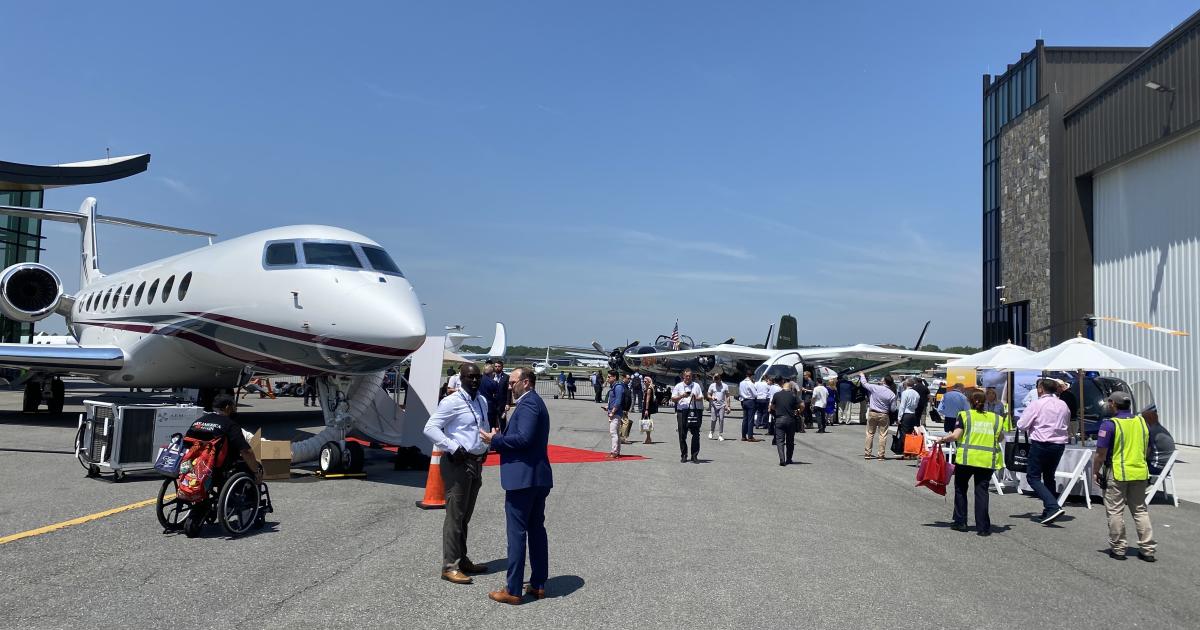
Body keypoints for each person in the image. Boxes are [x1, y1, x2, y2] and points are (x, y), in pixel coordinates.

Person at [479, 367, 554, 605]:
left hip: (524, 480)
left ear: (527, 383)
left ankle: (513, 589)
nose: (509, 386)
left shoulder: (530, 403)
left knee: (517, 533)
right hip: (535, 477)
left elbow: (524, 438)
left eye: (513, 382)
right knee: (536, 530)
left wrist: (496, 440)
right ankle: (538, 583)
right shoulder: (531, 402)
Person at [423, 363, 491, 584]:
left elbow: (481, 427)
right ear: (460, 378)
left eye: (477, 377)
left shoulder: (481, 400)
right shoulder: (451, 402)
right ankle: (449, 565)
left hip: (476, 462)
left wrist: (486, 447)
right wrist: (452, 447)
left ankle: (462, 560)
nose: (474, 381)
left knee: (465, 516)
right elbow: (430, 428)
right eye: (469, 377)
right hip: (458, 464)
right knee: (455, 516)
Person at [1092, 392, 1156, 561]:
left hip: (1118, 472)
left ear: (1113, 404)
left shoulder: (1110, 425)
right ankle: (1148, 549)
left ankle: (1119, 548)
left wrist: (1095, 470)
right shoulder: (1142, 422)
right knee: (1140, 510)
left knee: (1115, 511)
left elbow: (1100, 453)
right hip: (1139, 471)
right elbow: (1148, 448)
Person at [935, 390, 1003, 536]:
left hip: (966, 459)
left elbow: (955, 435)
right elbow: (1000, 438)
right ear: (985, 402)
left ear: (970, 402)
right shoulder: (995, 419)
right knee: (981, 492)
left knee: (960, 489)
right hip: (986, 460)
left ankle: (961, 522)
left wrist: (941, 440)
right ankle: (983, 527)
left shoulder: (965, 416)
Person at [1017, 378, 1070, 525]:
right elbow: (1067, 420)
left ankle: (1052, 506)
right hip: (1059, 444)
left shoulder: (1037, 404)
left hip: (1042, 442)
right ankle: (1049, 510)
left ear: (1040, 389)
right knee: (1049, 476)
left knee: (1032, 477)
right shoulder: (1063, 404)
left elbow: (1022, 424)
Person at [184, 394, 263, 484]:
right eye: (234, 407)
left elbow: (187, 442)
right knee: (254, 465)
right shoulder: (230, 424)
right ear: (227, 407)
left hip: (195, 463)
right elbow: (246, 451)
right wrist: (256, 471)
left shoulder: (198, 421)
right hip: (219, 468)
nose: (235, 409)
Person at [859, 373, 897, 460]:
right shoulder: (892, 394)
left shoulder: (875, 388)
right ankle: (881, 454)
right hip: (884, 414)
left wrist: (862, 375)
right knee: (883, 435)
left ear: (884, 381)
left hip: (873, 412)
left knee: (870, 433)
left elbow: (864, 384)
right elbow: (893, 409)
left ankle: (867, 453)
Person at [672, 369, 704, 463]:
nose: (688, 377)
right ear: (683, 376)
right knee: (682, 434)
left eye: (690, 376)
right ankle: (684, 455)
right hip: (682, 412)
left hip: (694, 411)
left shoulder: (696, 385)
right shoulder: (678, 386)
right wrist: (682, 396)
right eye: (686, 376)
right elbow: (673, 399)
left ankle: (694, 455)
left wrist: (695, 398)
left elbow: (701, 397)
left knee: (696, 434)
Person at [770, 381, 803, 466]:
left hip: (779, 419)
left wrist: (776, 409)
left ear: (782, 387)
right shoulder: (793, 395)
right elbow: (802, 404)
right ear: (790, 388)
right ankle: (789, 459)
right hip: (790, 420)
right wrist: (798, 411)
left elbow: (772, 406)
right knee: (790, 441)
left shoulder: (776, 395)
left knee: (780, 440)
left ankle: (782, 459)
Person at [481, 359, 510, 434]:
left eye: (499, 366)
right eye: (496, 366)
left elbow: (508, 391)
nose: (497, 368)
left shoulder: (506, 377)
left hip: (501, 403)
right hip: (491, 404)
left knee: (502, 421)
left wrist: (507, 403)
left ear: (502, 367)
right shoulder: (492, 378)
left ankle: (503, 434)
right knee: (492, 422)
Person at [1144, 405, 1175, 476]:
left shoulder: (1152, 432)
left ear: (1150, 418)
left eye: (1143, 418)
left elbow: (1146, 453)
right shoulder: (1160, 429)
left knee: (1130, 469)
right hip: (1166, 468)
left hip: (1156, 467)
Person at [896, 378, 921, 458]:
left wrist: (899, 417)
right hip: (913, 414)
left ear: (906, 384)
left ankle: (905, 451)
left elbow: (902, 406)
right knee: (911, 433)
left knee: (904, 433)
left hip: (906, 414)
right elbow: (916, 405)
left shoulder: (905, 393)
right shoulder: (917, 393)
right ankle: (911, 451)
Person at [605, 371, 626, 459]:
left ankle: (614, 452)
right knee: (616, 433)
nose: (607, 378)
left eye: (609, 377)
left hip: (616, 413)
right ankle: (616, 452)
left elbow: (618, 401)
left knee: (613, 433)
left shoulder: (618, 387)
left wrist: (612, 412)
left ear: (614, 377)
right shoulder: (615, 386)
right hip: (614, 412)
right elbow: (613, 400)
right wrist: (608, 407)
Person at [706, 373, 730, 441]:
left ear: (720, 379)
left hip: (722, 405)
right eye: (715, 380)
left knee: (721, 419)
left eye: (717, 380)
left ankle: (720, 434)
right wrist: (711, 397)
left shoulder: (725, 386)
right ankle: (711, 431)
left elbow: (728, 396)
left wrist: (728, 406)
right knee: (713, 419)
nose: (716, 382)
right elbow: (708, 394)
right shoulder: (712, 385)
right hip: (714, 405)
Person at [738, 374, 759, 442]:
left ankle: (743, 436)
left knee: (745, 419)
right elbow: (755, 394)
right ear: (751, 376)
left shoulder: (741, 383)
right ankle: (750, 436)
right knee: (750, 420)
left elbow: (740, 392)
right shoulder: (750, 383)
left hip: (744, 401)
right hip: (750, 401)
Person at [618, 373, 634, 445]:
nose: (629, 380)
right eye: (628, 378)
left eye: (630, 378)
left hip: (625, 409)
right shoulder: (622, 386)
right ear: (623, 378)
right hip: (623, 408)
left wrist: (627, 409)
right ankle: (622, 438)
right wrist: (624, 408)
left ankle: (621, 438)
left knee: (623, 423)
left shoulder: (626, 386)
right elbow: (622, 399)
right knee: (625, 423)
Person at [640, 375, 657, 444]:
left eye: (645, 381)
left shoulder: (649, 389)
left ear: (649, 382)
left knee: (646, 422)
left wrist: (646, 409)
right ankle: (648, 438)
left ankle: (648, 438)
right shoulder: (649, 388)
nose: (644, 382)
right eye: (643, 381)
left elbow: (647, 400)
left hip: (646, 407)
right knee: (646, 422)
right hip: (646, 407)